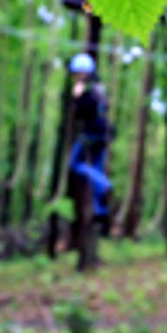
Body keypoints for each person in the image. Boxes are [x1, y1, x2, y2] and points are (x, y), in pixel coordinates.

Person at [68, 53, 113, 236]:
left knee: (76, 164)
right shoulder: (98, 87)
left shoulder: (88, 89)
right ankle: (100, 212)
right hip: (103, 135)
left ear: (82, 72)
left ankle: (105, 184)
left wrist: (77, 98)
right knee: (96, 170)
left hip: (92, 135)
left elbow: (83, 112)